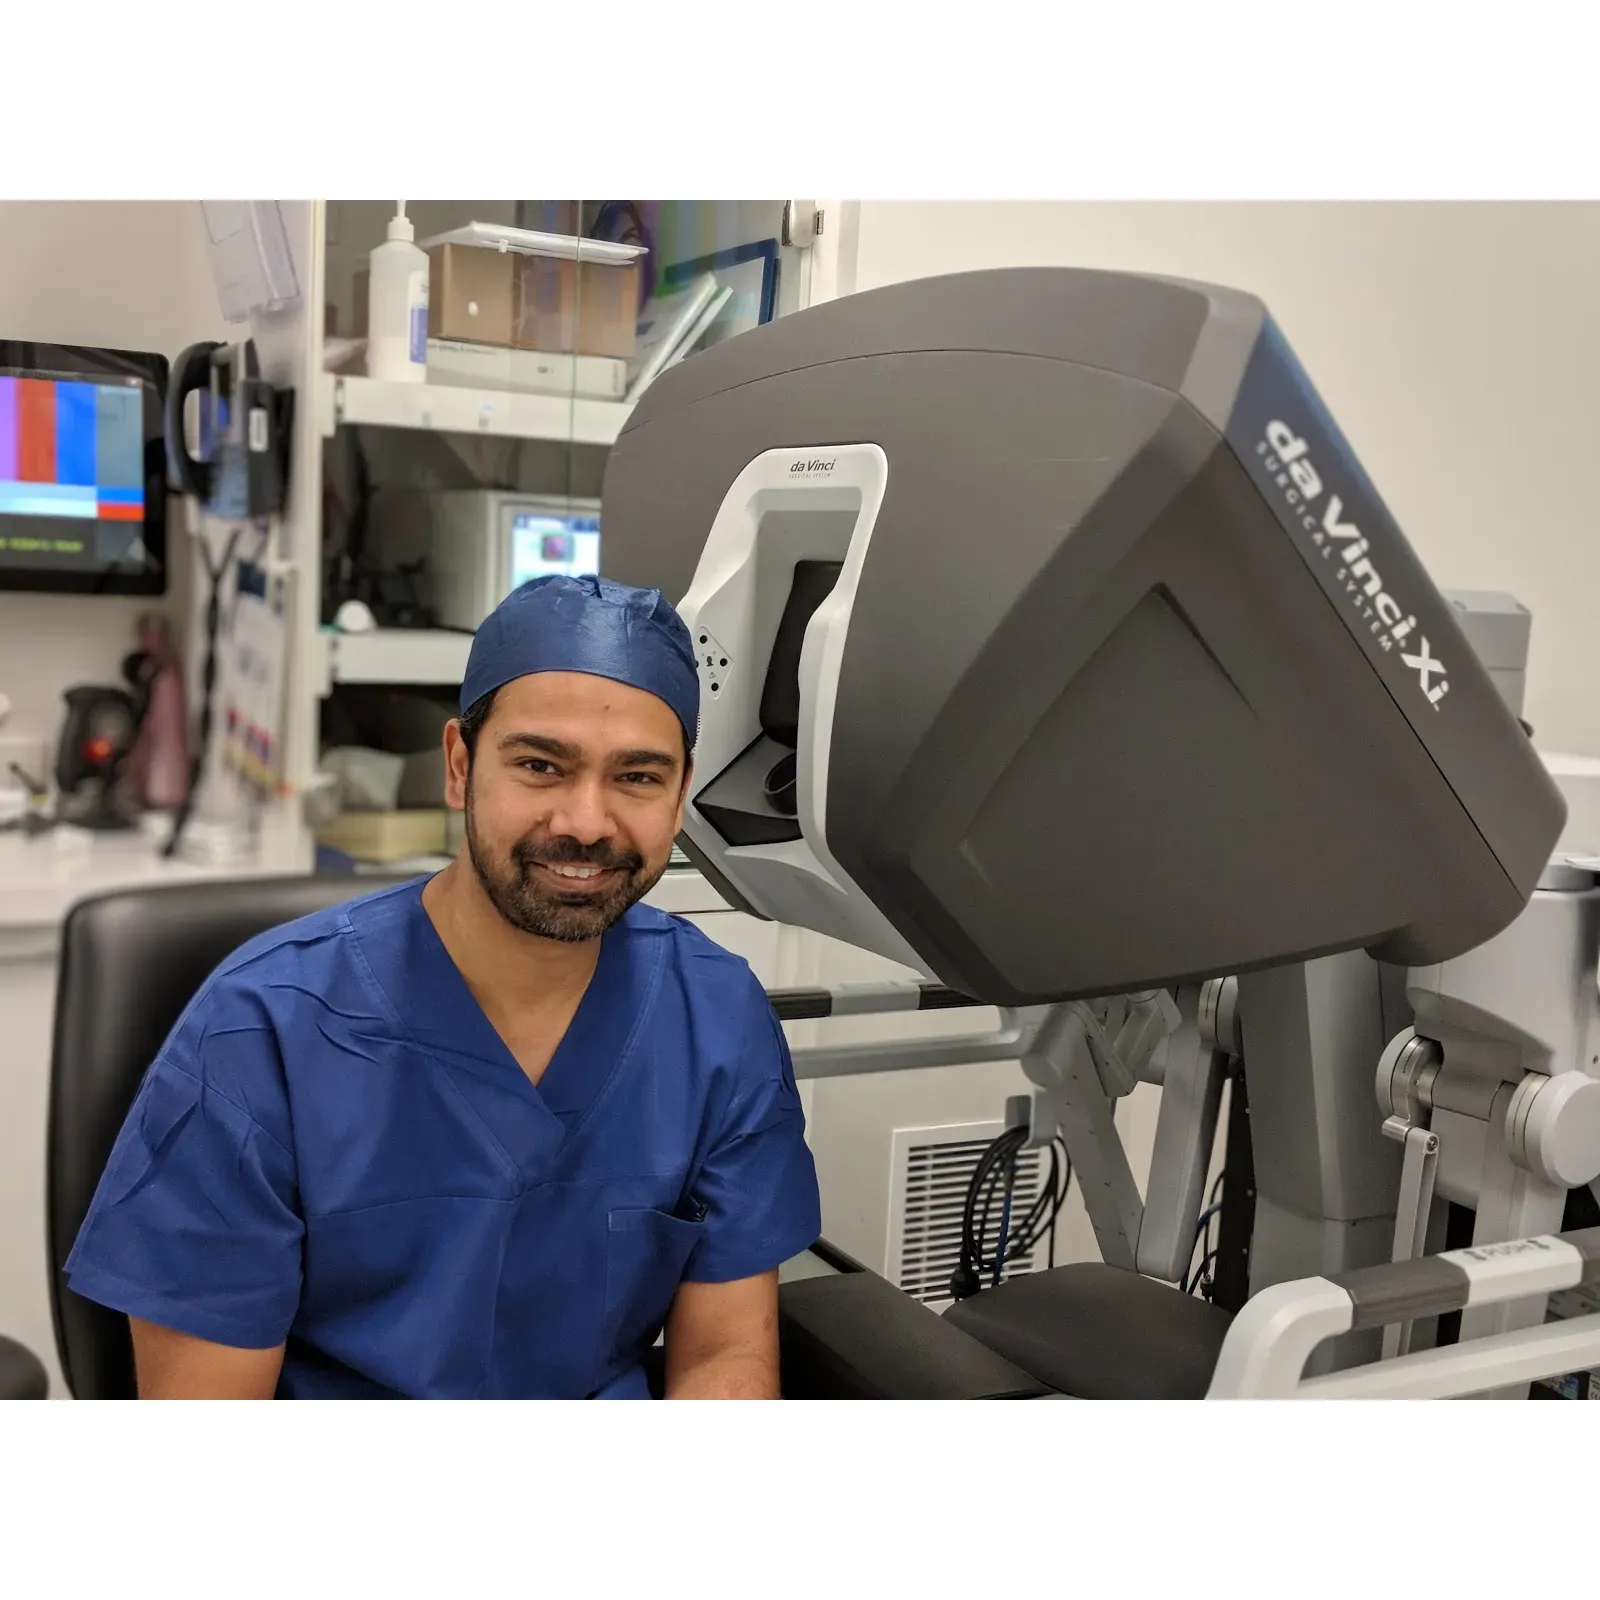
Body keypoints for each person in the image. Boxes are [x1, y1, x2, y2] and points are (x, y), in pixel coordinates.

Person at [65, 575, 822, 1399]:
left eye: (637, 777)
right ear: (459, 767)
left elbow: (723, 1358)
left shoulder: (717, 1020)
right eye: (540, 765)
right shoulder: (263, 1033)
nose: (585, 822)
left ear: (679, 796)